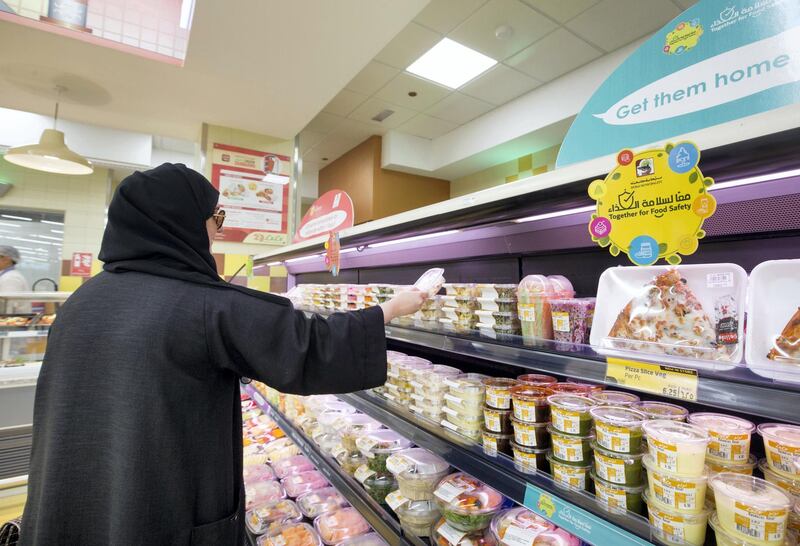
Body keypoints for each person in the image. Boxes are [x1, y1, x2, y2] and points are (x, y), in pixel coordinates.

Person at [20, 163, 427, 546]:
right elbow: (307, 343)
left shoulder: (83, 299)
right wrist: (391, 309)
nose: (216, 232)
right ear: (181, 222)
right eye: (216, 219)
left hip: (71, 500)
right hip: (159, 509)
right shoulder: (199, 303)